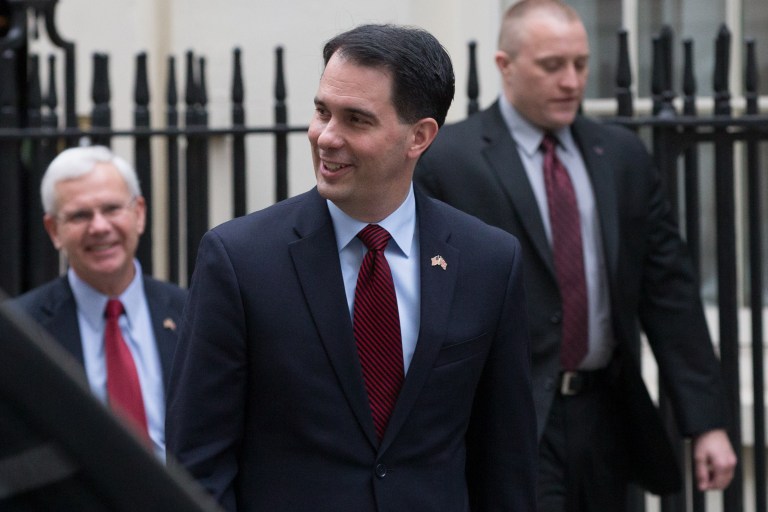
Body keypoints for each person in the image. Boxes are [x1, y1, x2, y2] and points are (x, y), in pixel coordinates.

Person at [166, 23, 536, 512]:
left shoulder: (488, 261)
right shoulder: (239, 261)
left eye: (356, 120)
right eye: (322, 111)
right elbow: (198, 464)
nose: (326, 137)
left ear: (419, 137)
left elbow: (506, 463)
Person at [414, 1, 738, 511]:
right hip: (510, 419)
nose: (571, 81)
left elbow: (669, 292)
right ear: (505, 65)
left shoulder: (623, 156)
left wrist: (708, 422)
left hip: (608, 415)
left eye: (581, 64)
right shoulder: (448, 163)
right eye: (552, 65)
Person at [9, 145, 187, 458]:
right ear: (54, 230)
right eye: (80, 215)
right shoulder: (20, 330)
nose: (100, 227)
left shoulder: (193, 313)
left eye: (111, 209)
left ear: (139, 213)